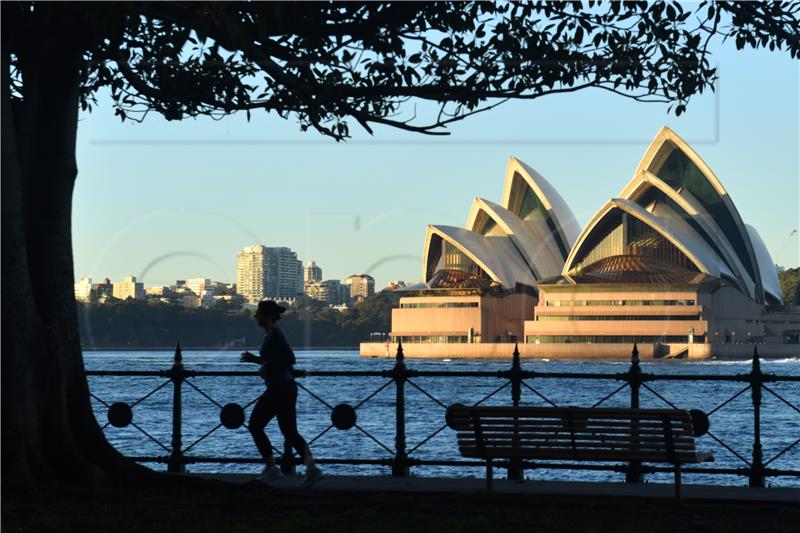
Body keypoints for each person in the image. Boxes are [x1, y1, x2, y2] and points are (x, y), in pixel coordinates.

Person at [241, 300, 324, 487]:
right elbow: (276, 359)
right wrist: (256, 360)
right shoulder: (272, 334)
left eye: (259, 313)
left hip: (279, 388)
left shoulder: (274, 335)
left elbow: (288, 358)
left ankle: (272, 468)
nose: (256, 316)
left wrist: (267, 365)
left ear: (267, 316)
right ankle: (312, 469)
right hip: (285, 387)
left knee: (255, 425)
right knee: (290, 431)